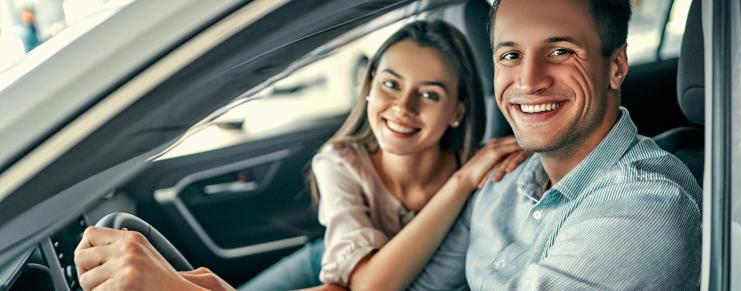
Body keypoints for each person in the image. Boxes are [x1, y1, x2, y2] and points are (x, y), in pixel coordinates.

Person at [74, 20, 527, 291]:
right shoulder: (340, 161)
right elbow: (354, 281)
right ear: (368, 88)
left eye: (429, 94)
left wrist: (464, 182)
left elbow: (369, 287)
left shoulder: (483, 181)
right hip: (329, 260)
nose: (403, 108)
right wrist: (459, 184)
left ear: (457, 112)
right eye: (390, 84)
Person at [407, 0, 702, 289]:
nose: (528, 82)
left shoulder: (646, 208)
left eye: (561, 52)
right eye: (510, 55)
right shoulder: (500, 177)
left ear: (616, 66)